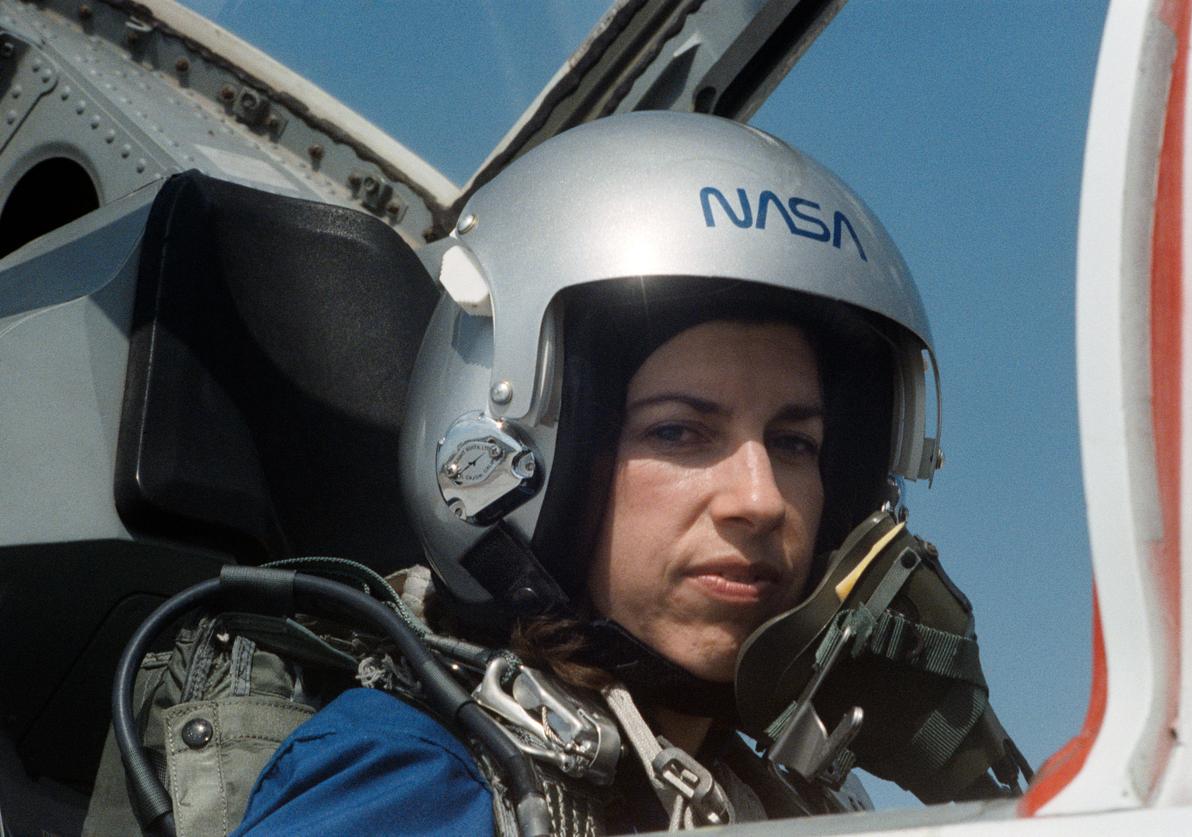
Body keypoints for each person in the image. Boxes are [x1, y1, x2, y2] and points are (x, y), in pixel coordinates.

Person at [95, 111, 1025, 837]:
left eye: (797, 444)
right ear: (522, 459)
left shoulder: (788, 797)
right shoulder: (416, 780)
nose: (760, 499)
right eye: (681, 431)